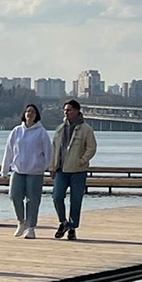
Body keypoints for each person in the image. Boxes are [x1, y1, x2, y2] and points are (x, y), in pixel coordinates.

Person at [1, 103, 52, 238]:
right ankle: (21, 221)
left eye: (33, 112)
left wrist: (47, 167)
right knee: (14, 195)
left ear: (37, 116)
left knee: (33, 200)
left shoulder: (41, 132)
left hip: (35, 172)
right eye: (28, 111)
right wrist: (4, 170)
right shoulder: (16, 131)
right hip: (18, 170)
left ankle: (31, 227)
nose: (30, 114)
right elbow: (9, 151)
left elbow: (48, 153)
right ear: (24, 114)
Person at [50, 99, 98, 240]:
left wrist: (81, 161)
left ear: (77, 111)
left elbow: (91, 148)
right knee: (57, 197)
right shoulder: (60, 129)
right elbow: (54, 149)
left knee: (76, 201)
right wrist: (52, 167)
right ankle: (63, 222)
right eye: (65, 110)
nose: (66, 113)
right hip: (61, 170)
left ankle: (72, 227)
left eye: (69, 110)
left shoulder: (86, 129)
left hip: (78, 171)